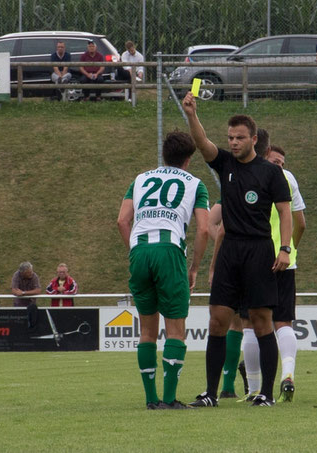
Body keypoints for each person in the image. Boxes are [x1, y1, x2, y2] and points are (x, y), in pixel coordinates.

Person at [182, 92, 292, 408]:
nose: (233, 142)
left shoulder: (271, 173)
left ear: (254, 139)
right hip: (230, 250)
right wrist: (192, 114)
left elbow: (285, 212)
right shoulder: (225, 163)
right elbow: (202, 143)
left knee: (261, 320)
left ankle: (266, 394)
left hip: (259, 251)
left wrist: (284, 248)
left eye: (239, 137)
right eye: (230, 137)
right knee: (217, 319)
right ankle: (210, 393)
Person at [117, 130, 210, 410]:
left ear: (164, 154)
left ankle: (150, 400)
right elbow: (204, 228)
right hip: (170, 252)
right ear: (189, 159)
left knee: (147, 331)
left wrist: (135, 250)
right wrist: (193, 267)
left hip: (141, 251)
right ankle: (169, 399)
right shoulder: (195, 184)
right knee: (175, 331)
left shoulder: (141, 179)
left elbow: (122, 220)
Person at [217, 140, 307, 404]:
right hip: (284, 260)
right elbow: (301, 222)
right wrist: (288, 250)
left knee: (250, 325)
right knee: (283, 322)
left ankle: (253, 389)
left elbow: (224, 225)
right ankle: (287, 374)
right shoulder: (288, 179)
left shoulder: (251, 175)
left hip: (254, 259)